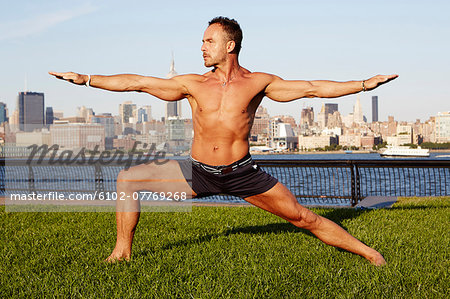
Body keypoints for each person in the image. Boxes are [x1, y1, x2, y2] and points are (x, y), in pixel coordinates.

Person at [49, 16, 397, 265]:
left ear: (229, 45)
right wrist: (86, 78)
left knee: (303, 218)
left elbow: (313, 88)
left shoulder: (259, 82)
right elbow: (137, 82)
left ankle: (371, 254)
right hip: (198, 171)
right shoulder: (193, 83)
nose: (202, 47)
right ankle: (121, 251)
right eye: (202, 41)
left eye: (209, 41)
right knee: (127, 180)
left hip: (242, 173)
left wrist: (363, 84)